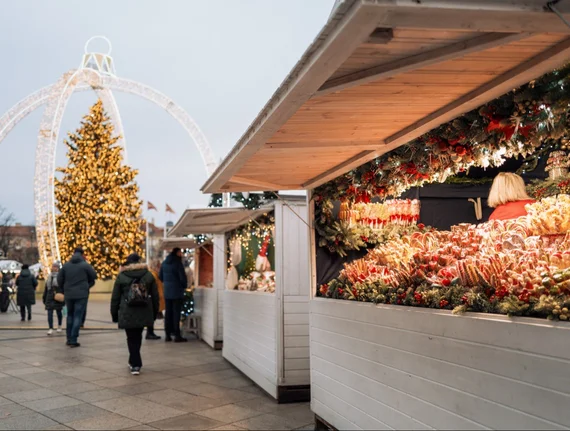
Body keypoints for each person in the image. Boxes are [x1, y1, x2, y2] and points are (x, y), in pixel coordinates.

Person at [111, 253, 159, 375]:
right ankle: (133, 360)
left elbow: (115, 297)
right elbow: (155, 296)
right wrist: (154, 313)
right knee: (138, 336)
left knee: (131, 337)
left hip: (127, 311)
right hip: (144, 310)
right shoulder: (148, 275)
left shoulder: (122, 276)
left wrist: (114, 314)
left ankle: (136, 364)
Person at [58, 247, 97, 347]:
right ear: (82, 254)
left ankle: (68, 338)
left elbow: (59, 279)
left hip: (69, 294)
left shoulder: (66, 266)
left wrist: (63, 289)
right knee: (77, 315)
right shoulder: (85, 265)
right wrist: (86, 286)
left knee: (69, 315)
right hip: (81, 294)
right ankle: (73, 339)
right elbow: (94, 276)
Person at [159, 248, 188, 342]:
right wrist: (184, 286)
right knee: (176, 314)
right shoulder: (178, 264)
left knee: (168, 313)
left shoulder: (164, 263)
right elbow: (182, 278)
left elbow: (160, 277)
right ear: (177, 253)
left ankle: (167, 335)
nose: (181, 254)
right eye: (180, 252)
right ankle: (177, 335)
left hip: (167, 292)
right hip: (177, 292)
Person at [145, 260, 165, 340]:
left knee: (152, 316)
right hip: (153, 299)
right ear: (156, 266)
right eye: (159, 266)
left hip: (154, 298)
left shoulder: (153, 274)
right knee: (151, 316)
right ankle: (150, 333)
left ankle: (150, 332)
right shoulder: (153, 275)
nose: (160, 268)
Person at [43, 262, 64, 335]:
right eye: (53, 267)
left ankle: (59, 326)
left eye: (56, 267)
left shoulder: (61, 277)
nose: (54, 268)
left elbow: (63, 287)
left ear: (58, 268)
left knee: (59, 312)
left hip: (58, 296)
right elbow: (46, 288)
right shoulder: (49, 276)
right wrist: (44, 297)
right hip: (49, 296)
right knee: (49, 312)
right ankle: (50, 328)